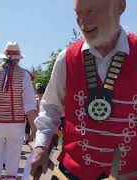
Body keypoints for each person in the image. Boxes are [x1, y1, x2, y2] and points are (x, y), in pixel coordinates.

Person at [31, 0, 137, 179]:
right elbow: (52, 107)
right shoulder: (67, 57)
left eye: (91, 11)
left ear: (120, 6)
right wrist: (41, 146)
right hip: (73, 171)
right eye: (78, 13)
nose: (83, 21)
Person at [0, 42, 38, 180]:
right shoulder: (24, 74)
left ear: (3, 56)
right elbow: (29, 105)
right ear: (18, 58)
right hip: (15, 123)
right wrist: (33, 127)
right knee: (12, 164)